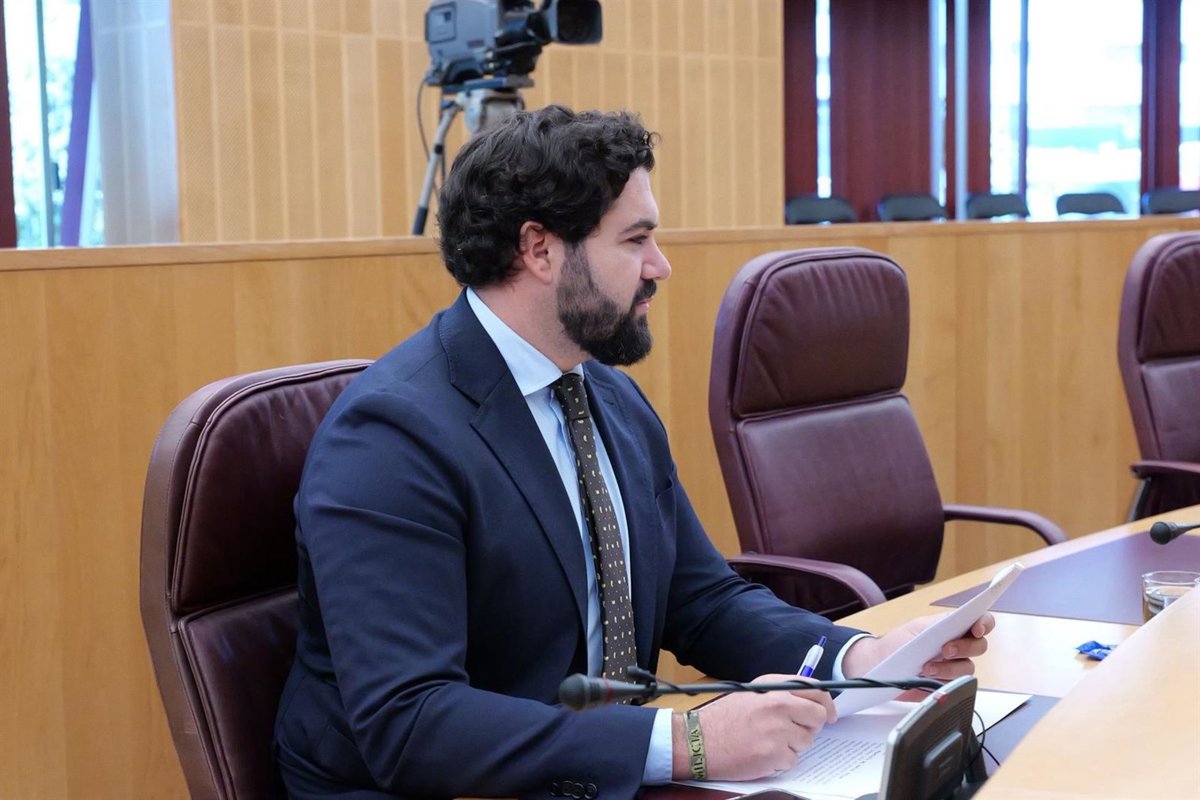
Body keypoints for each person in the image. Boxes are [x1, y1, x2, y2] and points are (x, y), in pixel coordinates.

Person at [273, 105, 993, 799]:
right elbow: (409, 722)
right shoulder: (391, 437)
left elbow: (700, 600)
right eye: (635, 240)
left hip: (586, 775)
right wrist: (686, 742)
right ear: (540, 249)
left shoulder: (604, 396)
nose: (661, 266)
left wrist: (859, 659)